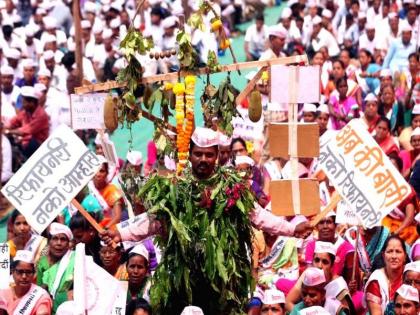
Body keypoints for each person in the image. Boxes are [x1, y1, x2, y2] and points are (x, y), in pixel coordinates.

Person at [101, 127, 312, 314]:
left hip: (222, 283)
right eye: (198, 154)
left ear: (217, 156)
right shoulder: (176, 187)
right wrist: (120, 233)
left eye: (209, 155)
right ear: (190, 155)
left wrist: (292, 229)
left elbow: (259, 217)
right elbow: (153, 220)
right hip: (182, 277)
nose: (203, 159)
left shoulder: (232, 188)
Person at [365, 235, 408, 315]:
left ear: (405, 256)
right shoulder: (376, 280)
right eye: (390, 251)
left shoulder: (411, 275)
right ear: (383, 256)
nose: (394, 256)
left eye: (398, 251)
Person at [37, 223, 74, 314]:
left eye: (63, 239)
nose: (59, 243)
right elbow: (39, 289)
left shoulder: (75, 259)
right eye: (55, 238)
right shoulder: (42, 263)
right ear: (49, 241)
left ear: (69, 243)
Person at [0, 250, 52, 315]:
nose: (24, 276)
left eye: (28, 272)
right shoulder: (3, 291)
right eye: (20, 272)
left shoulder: (40, 296)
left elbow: (43, 312)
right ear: (12, 272)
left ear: (33, 274)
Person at [4, 86, 49, 158]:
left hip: (38, 149)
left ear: (32, 103)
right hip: (26, 144)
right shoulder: (26, 112)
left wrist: (7, 131)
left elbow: (25, 131)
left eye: (24, 102)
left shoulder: (41, 115)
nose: (22, 104)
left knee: (31, 143)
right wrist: (4, 127)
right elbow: (13, 122)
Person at [90, 162, 123, 229]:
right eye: (95, 170)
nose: (98, 174)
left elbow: (117, 217)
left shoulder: (112, 190)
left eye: (102, 171)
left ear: (107, 173)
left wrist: (104, 230)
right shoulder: (88, 189)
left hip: (110, 231)